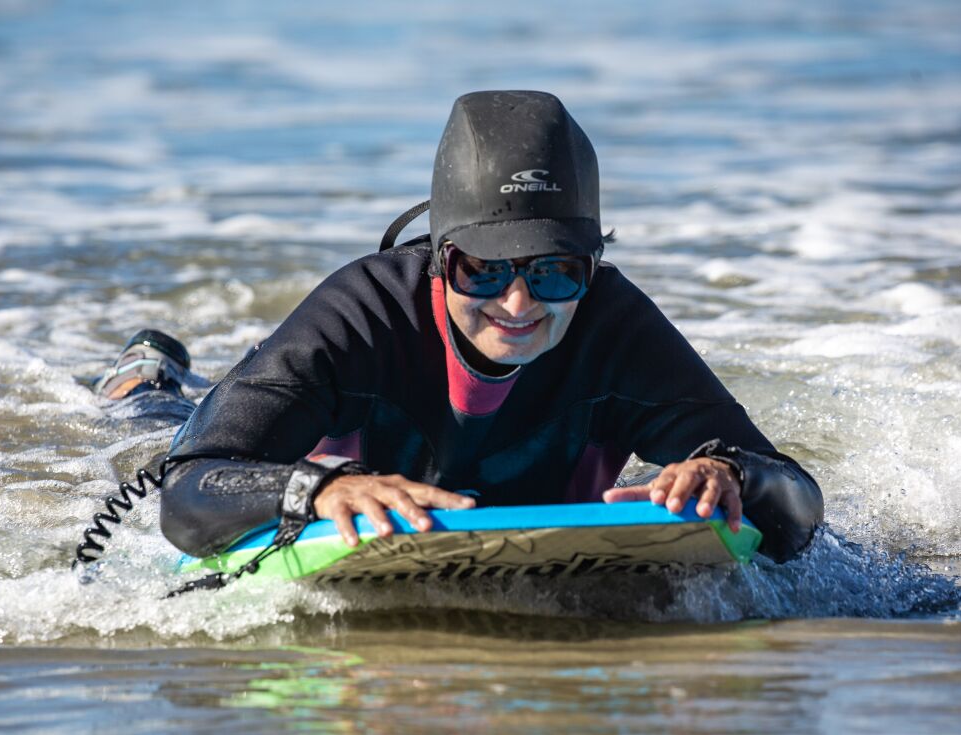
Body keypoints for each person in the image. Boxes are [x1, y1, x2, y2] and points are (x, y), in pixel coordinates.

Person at [124, 90, 822, 563]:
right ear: (438, 258)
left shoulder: (614, 325)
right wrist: (320, 490)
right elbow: (189, 493)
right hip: (261, 439)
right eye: (483, 270)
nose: (518, 305)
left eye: (554, 272)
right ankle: (148, 375)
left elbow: (796, 503)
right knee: (160, 418)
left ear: (591, 262)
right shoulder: (361, 316)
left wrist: (726, 473)